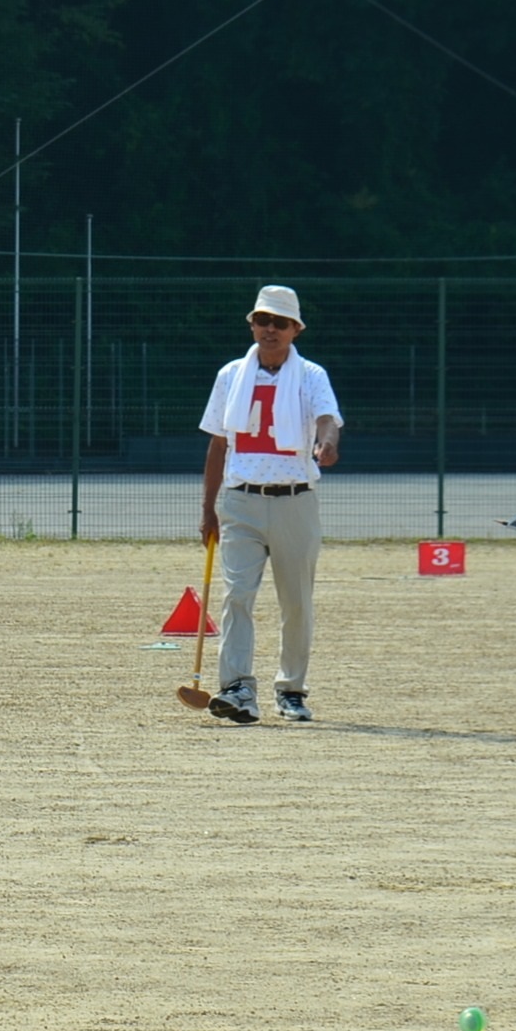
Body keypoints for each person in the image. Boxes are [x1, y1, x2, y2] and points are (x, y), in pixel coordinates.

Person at [197, 285, 342, 725]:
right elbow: (218, 444)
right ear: (252, 325)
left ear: (296, 330)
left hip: (295, 501)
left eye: (280, 322)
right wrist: (208, 508)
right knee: (236, 594)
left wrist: (327, 445)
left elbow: (326, 420)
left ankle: (291, 689)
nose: (270, 329)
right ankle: (237, 687)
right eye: (263, 320)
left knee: (296, 601)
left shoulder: (312, 376)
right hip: (241, 501)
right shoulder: (230, 376)